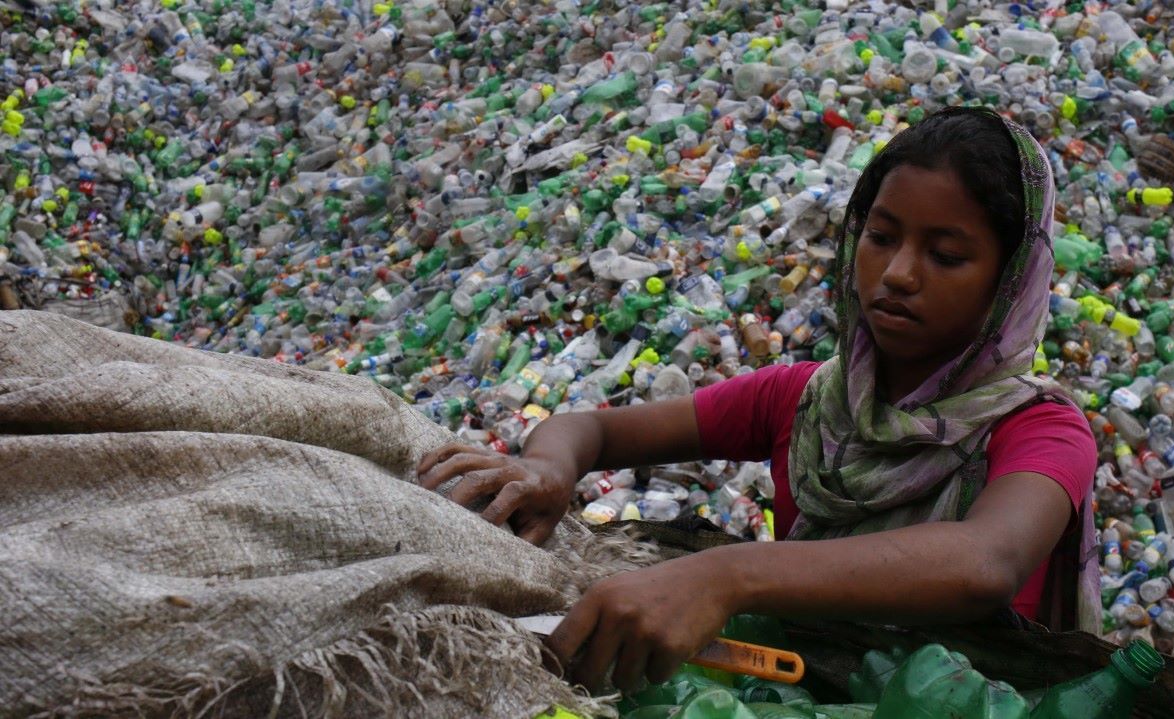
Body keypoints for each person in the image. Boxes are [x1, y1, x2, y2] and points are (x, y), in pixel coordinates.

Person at [416, 107, 1100, 694]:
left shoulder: (1039, 428)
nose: (896, 274)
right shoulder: (804, 400)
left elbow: (985, 562)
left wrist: (727, 576)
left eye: (946, 255)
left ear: (1011, 282)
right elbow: (588, 429)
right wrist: (548, 470)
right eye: (881, 236)